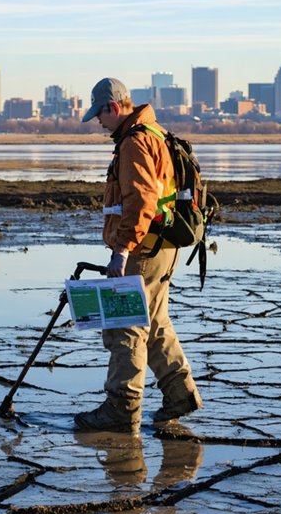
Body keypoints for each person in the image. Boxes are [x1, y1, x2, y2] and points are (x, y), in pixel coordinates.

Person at [74, 77, 202, 433]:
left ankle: (122, 408)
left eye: (99, 115)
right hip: (163, 246)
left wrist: (121, 250)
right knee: (155, 322)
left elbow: (141, 202)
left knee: (125, 326)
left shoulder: (135, 143)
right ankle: (180, 393)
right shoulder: (154, 132)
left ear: (114, 108)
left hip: (144, 248)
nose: (98, 122)